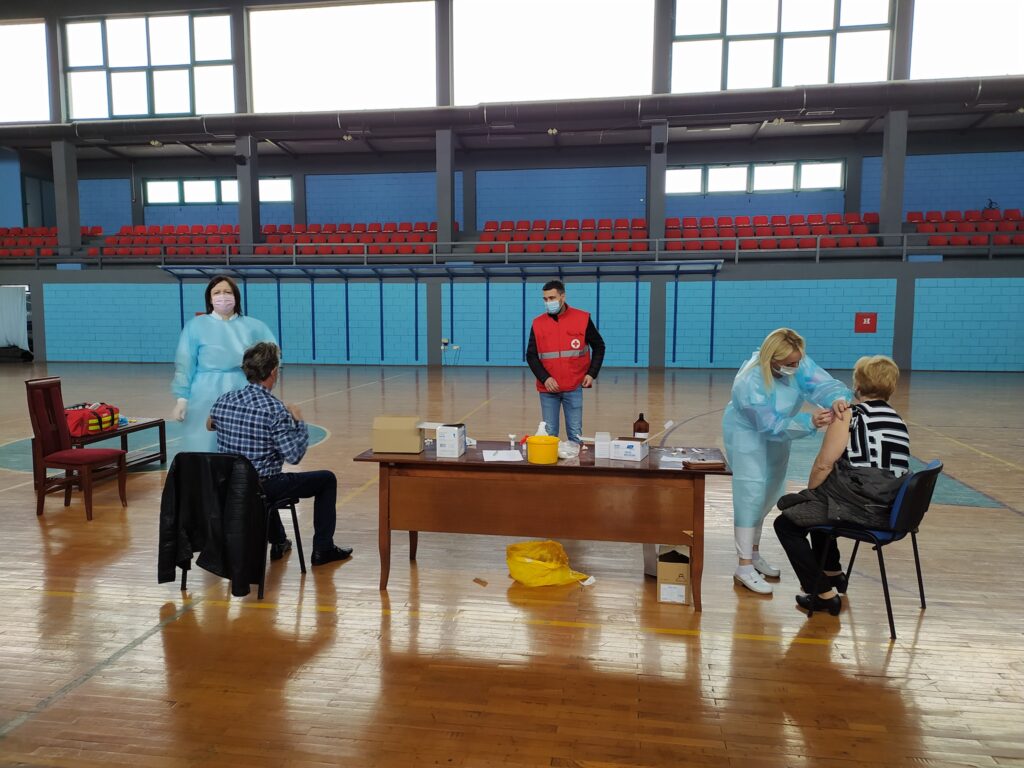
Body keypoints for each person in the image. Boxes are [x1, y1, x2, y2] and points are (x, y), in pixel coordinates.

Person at [774, 355, 910, 615]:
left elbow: (824, 464)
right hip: (890, 509)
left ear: (857, 385)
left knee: (787, 524)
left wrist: (810, 493)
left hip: (862, 507)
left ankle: (822, 593)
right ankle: (832, 571)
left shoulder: (850, 415)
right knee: (817, 508)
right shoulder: (898, 420)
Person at [722, 328, 851, 595]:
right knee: (750, 493)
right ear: (772, 359)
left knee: (770, 490)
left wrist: (838, 399)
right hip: (748, 436)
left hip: (779, 434)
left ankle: (754, 554)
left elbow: (821, 384)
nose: (796, 366)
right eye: (790, 363)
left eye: (798, 361)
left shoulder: (796, 363)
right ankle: (743, 566)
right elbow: (769, 425)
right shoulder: (748, 382)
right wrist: (809, 421)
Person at [208, 342, 352, 567]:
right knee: (325, 480)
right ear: (273, 372)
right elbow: (293, 456)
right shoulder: (275, 410)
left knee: (259, 482)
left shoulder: (224, 400)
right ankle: (323, 548)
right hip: (262, 486)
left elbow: (210, 424)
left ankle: (278, 541)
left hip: (230, 485)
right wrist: (298, 421)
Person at [170, 275, 276, 452]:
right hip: (204, 393)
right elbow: (185, 362)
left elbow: (272, 359)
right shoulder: (195, 326)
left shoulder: (254, 327)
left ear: (236, 296)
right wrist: (182, 398)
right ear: (210, 298)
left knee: (242, 440)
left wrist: (264, 391)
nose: (223, 296)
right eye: (217, 292)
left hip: (243, 390)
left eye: (227, 292)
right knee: (203, 442)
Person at [525, 280, 605, 443]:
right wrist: (545, 378)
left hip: (574, 386)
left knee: (575, 434)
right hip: (548, 389)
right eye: (545, 299)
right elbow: (531, 356)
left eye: (552, 298)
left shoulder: (582, 318)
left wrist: (592, 373)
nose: (548, 302)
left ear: (563, 296)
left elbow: (599, 346)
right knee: (549, 435)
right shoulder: (537, 323)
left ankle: (575, 459)